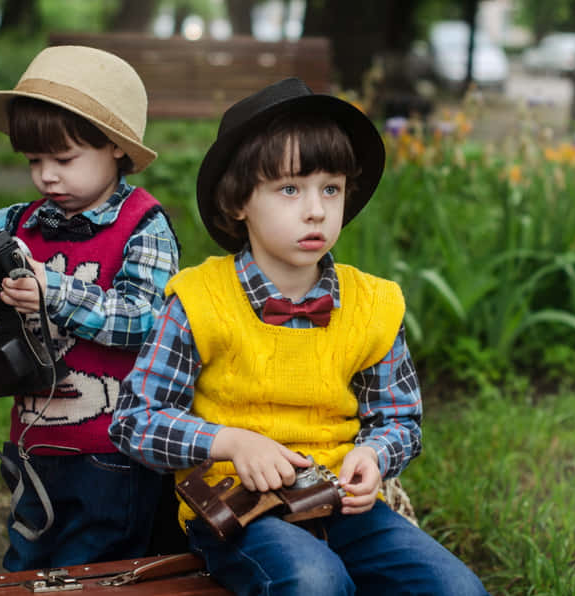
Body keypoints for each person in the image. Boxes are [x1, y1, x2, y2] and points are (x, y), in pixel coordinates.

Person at [109, 77, 488, 595]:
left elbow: (400, 418)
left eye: (330, 188)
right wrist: (229, 442)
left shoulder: (372, 304)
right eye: (290, 189)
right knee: (314, 582)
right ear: (238, 201)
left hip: (340, 502)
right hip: (239, 509)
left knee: (456, 588)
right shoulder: (199, 300)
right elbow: (135, 419)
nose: (316, 210)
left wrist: (373, 457)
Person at [0, 46, 179, 571]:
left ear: (116, 147)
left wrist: (53, 292)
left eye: (64, 160)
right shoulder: (20, 222)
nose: (47, 177)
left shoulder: (143, 226)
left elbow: (147, 321)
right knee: (28, 561)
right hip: (34, 445)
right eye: (34, 161)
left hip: (113, 452)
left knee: (97, 569)